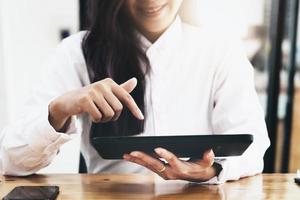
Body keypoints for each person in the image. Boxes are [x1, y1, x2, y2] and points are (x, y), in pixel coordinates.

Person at [0, 0, 270, 184]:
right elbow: (11, 161)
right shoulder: (76, 53)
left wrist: (211, 169)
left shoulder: (220, 51)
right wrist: (59, 109)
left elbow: (253, 145)